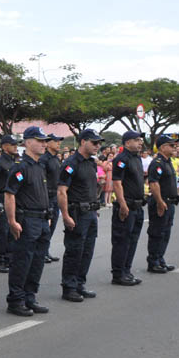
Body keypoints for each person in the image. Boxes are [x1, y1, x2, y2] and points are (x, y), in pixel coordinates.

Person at [3, 127, 53, 316]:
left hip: (41, 220)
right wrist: (12, 221)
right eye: (40, 140)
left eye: (44, 141)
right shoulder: (20, 167)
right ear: (28, 142)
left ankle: (29, 297)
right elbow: (10, 195)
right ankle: (16, 300)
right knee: (22, 261)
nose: (44, 144)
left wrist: (46, 217)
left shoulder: (39, 166)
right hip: (27, 219)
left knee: (37, 261)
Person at [58, 129, 104, 302]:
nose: (97, 146)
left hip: (91, 212)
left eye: (99, 143)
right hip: (77, 212)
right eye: (94, 142)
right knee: (74, 251)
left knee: (87, 251)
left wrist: (95, 208)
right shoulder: (71, 163)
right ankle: (69, 287)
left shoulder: (91, 163)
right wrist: (65, 215)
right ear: (83, 141)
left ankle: (79, 284)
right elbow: (62, 191)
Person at [109, 130, 147, 287]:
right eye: (136, 140)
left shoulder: (136, 158)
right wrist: (123, 204)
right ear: (127, 143)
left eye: (140, 140)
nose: (140, 142)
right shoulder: (121, 159)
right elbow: (117, 183)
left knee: (133, 240)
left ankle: (127, 270)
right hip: (127, 206)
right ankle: (118, 274)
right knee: (122, 240)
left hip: (137, 206)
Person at [145, 135, 179, 273]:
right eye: (171, 145)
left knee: (166, 232)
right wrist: (160, 202)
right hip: (161, 202)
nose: (175, 148)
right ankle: (153, 261)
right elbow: (154, 184)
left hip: (170, 203)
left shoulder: (168, 162)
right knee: (157, 232)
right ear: (162, 147)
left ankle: (160, 259)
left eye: (175, 145)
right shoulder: (157, 163)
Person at [0, 135, 20, 274]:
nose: (16, 146)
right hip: (1, 197)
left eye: (16, 144)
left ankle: (9, 258)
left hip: (13, 199)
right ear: (4, 147)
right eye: (12, 144)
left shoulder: (15, 162)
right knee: (2, 231)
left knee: (11, 230)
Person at [41, 134, 64, 263]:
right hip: (47, 196)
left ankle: (46, 250)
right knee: (46, 226)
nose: (58, 144)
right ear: (48, 143)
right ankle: (42, 252)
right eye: (55, 141)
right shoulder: (44, 159)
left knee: (53, 224)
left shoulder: (56, 159)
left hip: (55, 196)